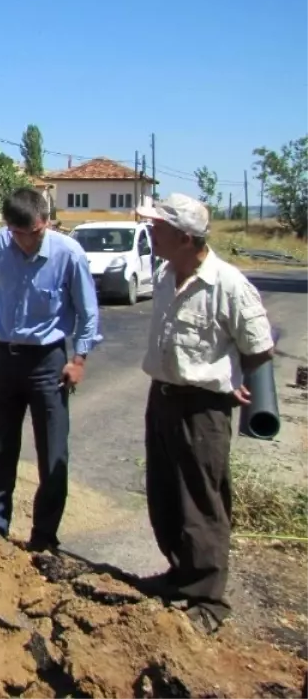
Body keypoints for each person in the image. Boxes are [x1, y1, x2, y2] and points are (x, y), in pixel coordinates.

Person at [136, 193, 274, 633]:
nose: (150, 232)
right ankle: (180, 573)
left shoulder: (228, 285)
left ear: (182, 236)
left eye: (157, 227)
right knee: (164, 494)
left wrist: (256, 392)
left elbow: (258, 348)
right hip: (162, 398)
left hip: (204, 408)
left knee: (202, 499)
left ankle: (208, 598)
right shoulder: (163, 274)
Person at [0, 187, 99, 551]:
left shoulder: (68, 254)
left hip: (48, 363)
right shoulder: (1, 244)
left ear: (44, 223)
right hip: (4, 356)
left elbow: (88, 313)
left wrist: (78, 360)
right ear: (9, 227)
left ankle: (44, 538)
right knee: (1, 447)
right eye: (20, 233)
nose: (28, 240)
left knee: (52, 452)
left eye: (36, 232)